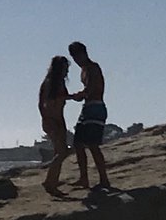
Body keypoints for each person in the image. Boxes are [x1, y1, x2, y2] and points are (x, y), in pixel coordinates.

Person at [67, 41, 112, 191]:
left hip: (96, 107)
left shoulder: (93, 68)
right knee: (78, 144)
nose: (76, 60)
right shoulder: (84, 70)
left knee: (93, 145)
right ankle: (83, 178)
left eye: (77, 56)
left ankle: (104, 179)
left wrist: (81, 95)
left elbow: (94, 88)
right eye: (74, 57)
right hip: (87, 108)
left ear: (84, 53)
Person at [38, 55, 71, 194]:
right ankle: (49, 182)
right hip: (52, 120)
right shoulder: (50, 82)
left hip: (59, 119)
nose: (67, 72)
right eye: (65, 68)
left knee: (60, 151)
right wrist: (47, 119)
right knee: (61, 152)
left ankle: (53, 181)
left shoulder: (58, 82)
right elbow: (43, 103)